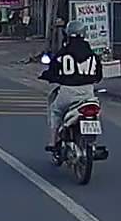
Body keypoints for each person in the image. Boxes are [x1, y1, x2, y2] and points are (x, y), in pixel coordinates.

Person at [40, 19, 103, 152]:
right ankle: (93, 143)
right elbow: (98, 76)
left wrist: (47, 76)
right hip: (88, 93)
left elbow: (53, 71)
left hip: (67, 92)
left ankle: (53, 141)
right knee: (95, 112)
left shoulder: (63, 54)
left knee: (56, 111)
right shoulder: (92, 55)